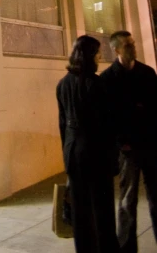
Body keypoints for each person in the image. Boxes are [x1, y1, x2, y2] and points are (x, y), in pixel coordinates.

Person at [56, 35, 119, 253]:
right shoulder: (96, 83)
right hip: (96, 152)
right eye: (98, 52)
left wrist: (66, 156)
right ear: (90, 55)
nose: (100, 56)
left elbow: (62, 123)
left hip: (73, 152)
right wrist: (113, 159)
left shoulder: (63, 84)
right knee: (102, 209)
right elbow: (106, 124)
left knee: (80, 209)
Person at [100, 30, 157, 252]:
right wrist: (120, 142)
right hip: (128, 149)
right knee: (127, 200)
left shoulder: (147, 73)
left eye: (133, 43)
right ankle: (126, 248)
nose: (133, 47)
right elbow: (108, 117)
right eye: (127, 45)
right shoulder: (107, 79)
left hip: (150, 145)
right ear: (116, 50)